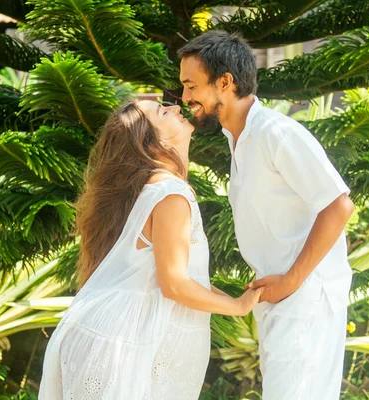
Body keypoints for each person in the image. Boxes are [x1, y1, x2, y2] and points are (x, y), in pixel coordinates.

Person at [38, 100, 262, 399]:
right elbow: (174, 284)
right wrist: (238, 307)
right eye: (162, 112)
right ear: (153, 142)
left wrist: (244, 299)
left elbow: (183, 278)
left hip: (109, 337)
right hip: (119, 345)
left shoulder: (158, 187)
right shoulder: (171, 193)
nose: (176, 108)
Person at [178, 30, 355, 399]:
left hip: (305, 297)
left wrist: (291, 280)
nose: (185, 98)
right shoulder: (239, 137)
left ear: (224, 82)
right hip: (283, 298)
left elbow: (338, 205)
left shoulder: (276, 133)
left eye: (191, 86)